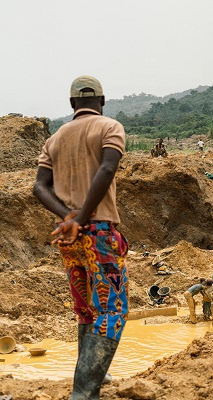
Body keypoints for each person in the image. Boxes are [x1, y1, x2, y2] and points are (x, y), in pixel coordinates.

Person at [33, 75, 129, 399]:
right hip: (98, 231)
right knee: (113, 309)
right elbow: (106, 170)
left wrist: (67, 217)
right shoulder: (110, 127)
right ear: (102, 101)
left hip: (69, 237)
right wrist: (84, 218)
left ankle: (90, 381)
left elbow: (39, 187)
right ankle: (83, 392)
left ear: (72, 104)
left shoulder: (55, 139)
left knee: (87, 309)